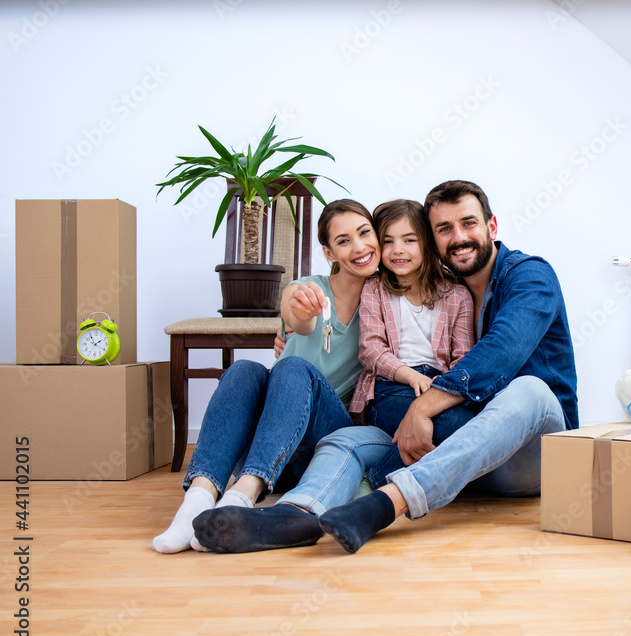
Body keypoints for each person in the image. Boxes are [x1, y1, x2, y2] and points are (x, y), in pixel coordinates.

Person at [193, 179, 578, 554]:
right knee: (349, 440)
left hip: (529, 453)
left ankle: (381, 503)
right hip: (457, 460)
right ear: (435, 239)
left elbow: (501, 351)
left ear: (492, 226)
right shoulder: (396, 288)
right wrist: (289, 327)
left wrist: (422, 407)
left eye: (469, 223)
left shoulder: (528, 276)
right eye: (444, 228)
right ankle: (297, 513)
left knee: (527, 390)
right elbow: (320, 317)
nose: (457, 237)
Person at [152, 199, 379, 554]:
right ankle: (198, 498)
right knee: (244, 369)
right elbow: (296, 315)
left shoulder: (385, 301)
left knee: (292, 367)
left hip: (319, 444)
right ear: (329, 252)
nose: (360, 246)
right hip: (270, 442)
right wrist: (297, 310)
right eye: (344, 240)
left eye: (365, 233)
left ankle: (244, 496)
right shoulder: (311, 287)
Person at [348, 199, 478, 458]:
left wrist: (441, 390)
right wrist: (412, 376)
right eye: (388, 241)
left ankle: (382, 476)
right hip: (390, 387)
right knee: (446, 427)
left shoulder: (458, 295)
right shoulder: (374, 289)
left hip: (440, 387)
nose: (398, 250)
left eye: (409, 240)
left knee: (463, 423)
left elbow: (463, 358)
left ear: (427, 243)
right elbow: (371, 349)